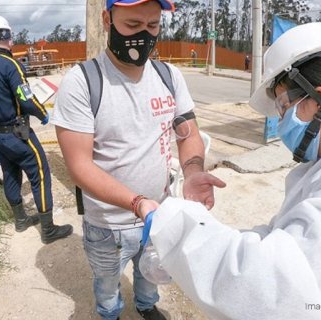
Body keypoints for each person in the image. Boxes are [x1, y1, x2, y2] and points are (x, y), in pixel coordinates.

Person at [137, 22, 321, 319]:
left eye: (282, 106)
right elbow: (282, 239)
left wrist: (174, 226)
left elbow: (274, 292)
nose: (281, 121)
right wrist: (207, 231)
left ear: (319, 98)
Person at [52, 1, 226, 319]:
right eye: (132, 26)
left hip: (158, 214)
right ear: (107, 19)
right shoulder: (82, 83)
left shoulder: (169, 76)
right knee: (107, 283)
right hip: (107, 226)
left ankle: (146, 306)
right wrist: (137, 203)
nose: (143, 36)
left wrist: (193, 171)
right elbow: (80, 167)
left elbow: (188, 134)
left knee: (150, 277)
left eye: (153, 26)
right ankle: (109, 312)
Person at [0, 15, 73, 244]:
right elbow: (25, 99)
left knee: (10, 173)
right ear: (6, 37)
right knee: (40, 173)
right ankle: (48, 230)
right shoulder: (10, 64)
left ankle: (20, 220)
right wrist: (43, 114)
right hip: (17, 134)